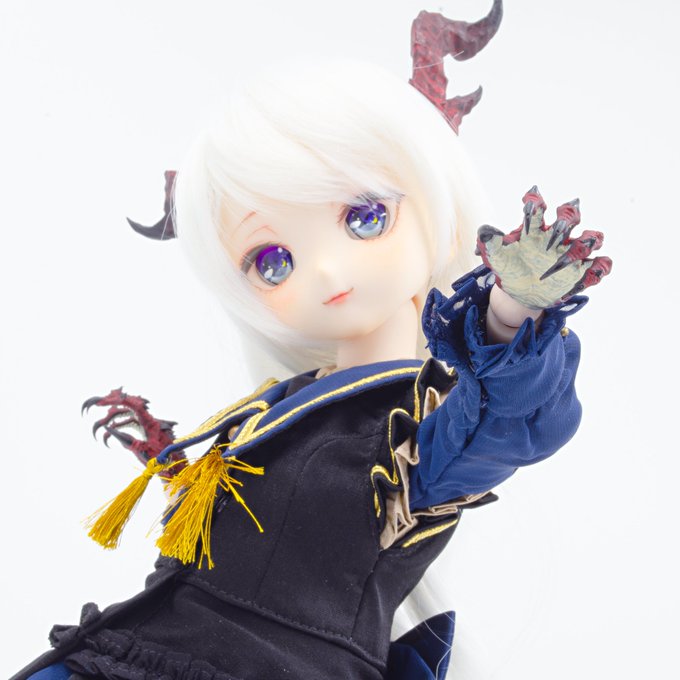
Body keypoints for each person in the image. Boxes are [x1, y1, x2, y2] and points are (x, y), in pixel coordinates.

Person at [12, 27, 610, 680]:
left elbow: (507, 424)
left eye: (365, 218)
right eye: (272, 261)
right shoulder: (278, 406)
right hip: (132, 647)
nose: (326, 271)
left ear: (434, 205)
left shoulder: (422, 429)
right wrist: (173, 463)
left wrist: (510, 314)